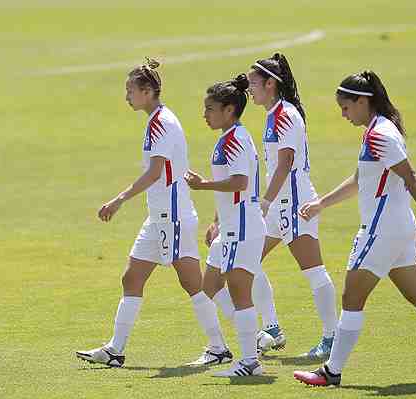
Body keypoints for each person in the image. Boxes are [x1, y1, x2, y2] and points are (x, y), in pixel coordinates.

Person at [293, 71, 416, 386]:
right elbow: (359, 180)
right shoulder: (377, 131)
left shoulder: (381, 134)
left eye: (346, 107)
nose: (343, 114)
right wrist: (322, 203)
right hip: (396, 228)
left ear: (363, 101)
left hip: (381, 230)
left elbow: (411, 176)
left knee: (352, 298)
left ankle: (331, 372)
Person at [75, 59, 229, 368]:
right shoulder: (159, 119)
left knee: (193, 284)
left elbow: (154, 173)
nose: (127, 96)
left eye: (130, 90)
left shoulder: (161, 122)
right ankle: (115, 350)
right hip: (160, 216)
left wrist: (118, 200)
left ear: (147, 91)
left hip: (171, 216)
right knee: (131, 277)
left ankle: (220, 346)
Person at [247, 53, 337, 358]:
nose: (249, 89)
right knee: (247, 259)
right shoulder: (274, 113)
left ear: (270, 84)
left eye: (253, 83)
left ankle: (332, 337)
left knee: (313, 270)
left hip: (295, 202)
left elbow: (285, 163)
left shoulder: (284, 114)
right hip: (278, 203)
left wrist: (265, 202)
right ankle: (271, 327)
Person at [186, 74, 266, 377]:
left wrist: (203, 185)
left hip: (243, 227)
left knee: (240, 292)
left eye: (210, 109)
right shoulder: (230, 137)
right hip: (232, 226)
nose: (205, 114)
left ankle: (249, 361)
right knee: (209, 286)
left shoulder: (235, 140)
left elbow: (240, 182)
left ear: (229, 109)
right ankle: (253, 338)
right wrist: (217, 221)